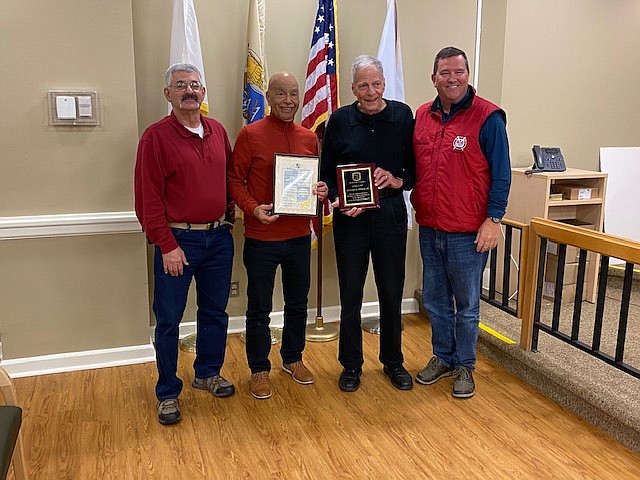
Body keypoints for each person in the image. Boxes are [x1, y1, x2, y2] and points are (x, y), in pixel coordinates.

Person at [134, 63, 235, 425]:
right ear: (168, 95)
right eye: (180, 86)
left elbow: (228, 179)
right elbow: (147, 200)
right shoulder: (155, 137)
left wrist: (230, 219)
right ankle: (167, 392)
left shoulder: (218, 130)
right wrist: (166, 245)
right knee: (169, 320)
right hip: (178, 241)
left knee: (214, 312)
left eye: (195, 84)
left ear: (203, 92)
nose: (189, 90)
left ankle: (207, 372)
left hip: (218, 239)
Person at [411, 46, 511, 398]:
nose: (452, 78)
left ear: (468, 74)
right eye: (445, 73)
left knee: (467, 305)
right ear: (433, 77)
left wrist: (493, 219)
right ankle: (443, 357)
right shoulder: (423, 116)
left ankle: (466, 366)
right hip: (430, 227)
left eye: (459, 72)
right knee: (436, 301)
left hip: (468, 233)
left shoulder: (488, 117)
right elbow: (415, 169)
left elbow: (501, 175)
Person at [228, 72, 328, 400]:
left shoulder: (308, 137)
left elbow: (311, 184)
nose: (288, 100)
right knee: (259, 307)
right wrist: (253, 208)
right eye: (281, 94)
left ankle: (293, 358)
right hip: (261, 238)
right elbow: (234, 181)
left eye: (293, 94)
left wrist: (321, 191)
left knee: (298, 303)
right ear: (268, 98)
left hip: (299, 236)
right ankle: (258, 368)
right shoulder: (250, 134)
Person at [320, 55, 415, 393]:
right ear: (353, 88)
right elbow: (327, 175)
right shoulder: (340, 120)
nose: (371, 91)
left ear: (384, 83)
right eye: (363, 85)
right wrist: (340, 200)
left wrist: (396, 179)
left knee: (391, 292)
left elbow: (415, 172)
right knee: (351, 294)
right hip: (352, 222)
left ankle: (393, 361)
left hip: (389, 216)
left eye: (376, 83)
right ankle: (351, 366)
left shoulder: (403, 116)